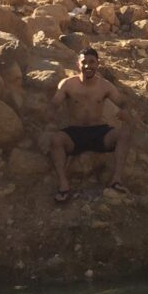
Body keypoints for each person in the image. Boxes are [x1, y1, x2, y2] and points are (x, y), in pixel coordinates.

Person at [47, 47, 130, 202]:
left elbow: (122, 102)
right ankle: (63, 185)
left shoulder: (105, 86)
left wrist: (124, 111)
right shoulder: (67, 84)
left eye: (92, 62)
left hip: (99, 132)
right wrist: (52, 113)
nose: (88, 66)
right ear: (78, 64)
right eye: (84, 62)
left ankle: (116, 180)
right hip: (75, 133)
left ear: (98, 64)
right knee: (56, 140)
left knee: (123, 135)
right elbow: (54, 103)